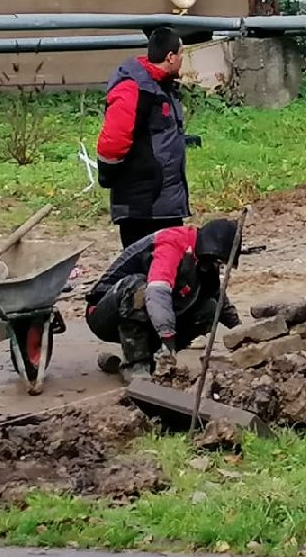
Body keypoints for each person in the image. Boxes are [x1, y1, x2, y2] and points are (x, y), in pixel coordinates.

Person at [84, 218, 242, 381]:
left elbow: (216, 294)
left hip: (146, 313)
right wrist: (167, 337)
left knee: (208, 308)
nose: (214, 265)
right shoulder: (173, 242)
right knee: (137, 289)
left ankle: (155, 356)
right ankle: (136, 365)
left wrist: (241, 333)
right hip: (103, 313)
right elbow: (156, 293)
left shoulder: (204, 259)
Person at [96, 25, 191, 248]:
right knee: (142, 271)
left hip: (163, 205)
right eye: (181, 55)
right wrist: (107, 175)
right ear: (170, 57)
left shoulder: (162, 87)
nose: (182, 61)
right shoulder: (134, 88)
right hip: (143, 207)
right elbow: (113, 142)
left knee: (168, 268)